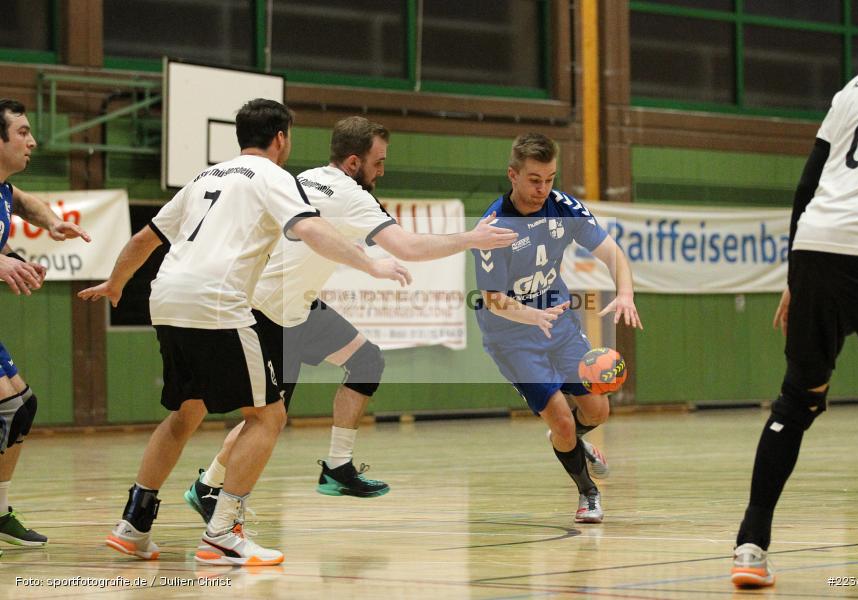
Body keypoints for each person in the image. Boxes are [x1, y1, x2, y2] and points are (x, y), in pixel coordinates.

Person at [78, 99, 410, 567]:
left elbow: (143, 240)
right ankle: (222, 532)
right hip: (217, 303)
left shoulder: (205, 176)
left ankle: (134, 523)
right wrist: (371, 263)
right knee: (267, 417)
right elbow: (313, 231)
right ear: (281, 138)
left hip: (167, 297)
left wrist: (116, 284)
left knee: (184, 412)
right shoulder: (276, 178)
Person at [182, 115, 518, 521]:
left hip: (297, 306)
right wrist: (471, 238)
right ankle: (209, 486)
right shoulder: (352, 195)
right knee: (268, 418)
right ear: (355, 162)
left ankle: (338, 468)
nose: (383, 170)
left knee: (365, 360)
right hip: (267, 312)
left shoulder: (307, 176)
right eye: (379, 162)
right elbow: (407, 247)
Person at [731, 51, 858, 587]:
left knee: (797, 399)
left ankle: (750, 547)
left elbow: (807, 187)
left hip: (817, 246)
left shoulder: (857, 84)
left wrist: (794, 275)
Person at [472, 132, 641, 524]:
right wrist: (532, 316)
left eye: (549, 179)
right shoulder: (493, 228)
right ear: (512, 175)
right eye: (534, 179)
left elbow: (611, 252)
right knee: (563, 420)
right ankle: (588, 493)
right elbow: (494, 298)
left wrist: (627, 293)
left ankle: (571, 444)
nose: (542, 188)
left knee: (598, 410)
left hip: (559, 324)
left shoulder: (564, 208)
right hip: (511, 337)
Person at [0, 99, 91, 554]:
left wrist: (53, 224)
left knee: (20, 406)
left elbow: (25, 202)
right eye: (21, 132)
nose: (32, 140)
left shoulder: (2, 189)